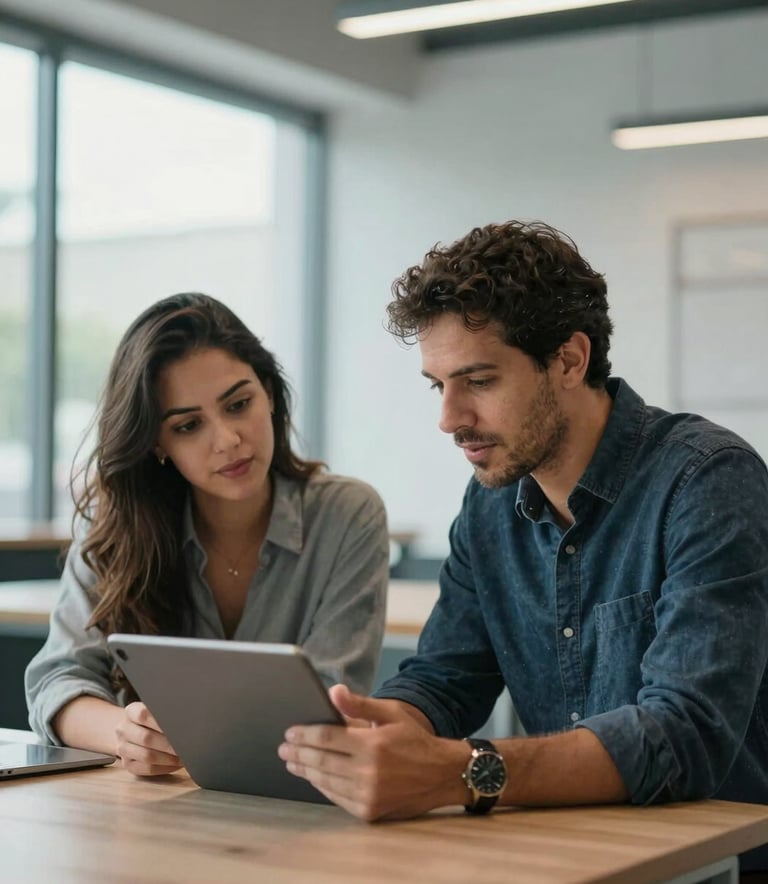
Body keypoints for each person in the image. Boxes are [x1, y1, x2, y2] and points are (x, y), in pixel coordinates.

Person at [278, 220, 768, 874]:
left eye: (477, 381)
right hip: (567, 859)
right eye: (438, 385)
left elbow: (684, 737)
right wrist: (381, 730)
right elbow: (445, 680)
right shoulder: (490, 505)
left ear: (569, 359)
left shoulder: (708, 481)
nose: (449, 419)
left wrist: (461, 770)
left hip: (715, 868)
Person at [26, 292, 389, 778]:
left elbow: (330, 706)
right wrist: (125, 732)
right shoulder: (117, 526)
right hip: (150, 810)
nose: (227, 440)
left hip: (297, 806)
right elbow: (58, 679)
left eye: (239, 404)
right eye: (189, 425)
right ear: (156, 443)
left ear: (269, 393)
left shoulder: (347, 515)